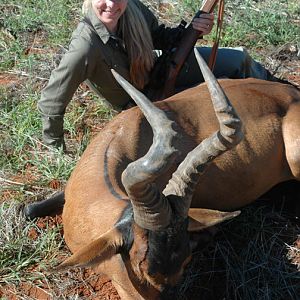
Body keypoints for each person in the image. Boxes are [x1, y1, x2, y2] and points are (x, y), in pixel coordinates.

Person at [38, 0, 273, 149]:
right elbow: (51, 100)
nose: (111, 5)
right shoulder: (85, 46)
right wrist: (55, 147)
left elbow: (160, 36)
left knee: (238, 60)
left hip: (161, 69)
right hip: (142, 107)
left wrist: (196, 29)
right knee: (223, 95)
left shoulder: (132, 8)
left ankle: (281, 94)